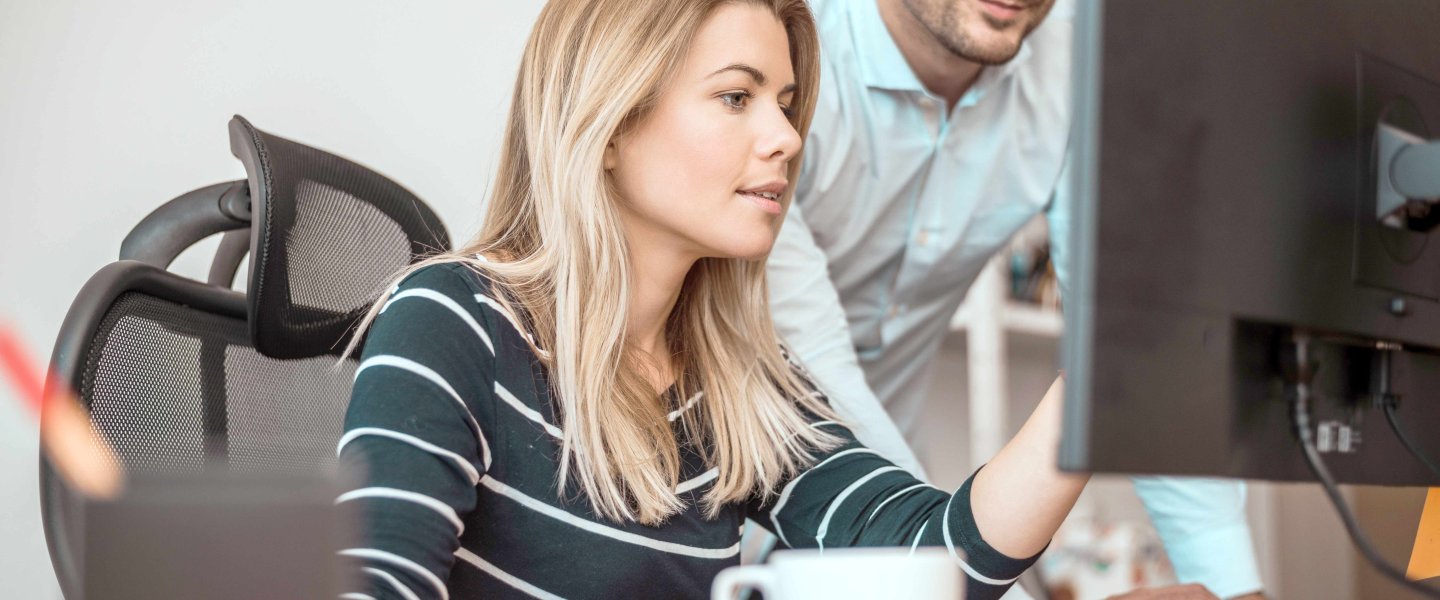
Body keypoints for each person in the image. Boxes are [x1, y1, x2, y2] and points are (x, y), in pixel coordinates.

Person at [336, 0, 1088, 599]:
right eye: (737, 97)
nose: (787, 139)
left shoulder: (735, 385)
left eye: (786, 104)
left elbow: (934, 556)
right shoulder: (451, 320)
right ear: (609, 123)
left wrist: (1107, 376)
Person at [765, 0, 1265, 597]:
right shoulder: (778, 49)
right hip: (728, 477)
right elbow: (812, 357)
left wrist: (1229, 586)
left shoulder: (1079, 66)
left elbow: (1138, 334)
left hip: (893, 496)